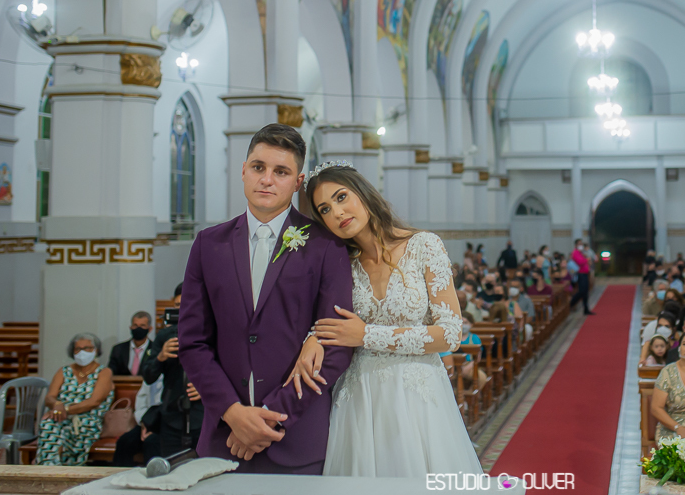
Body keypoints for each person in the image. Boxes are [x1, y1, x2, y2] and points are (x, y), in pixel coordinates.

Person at [178, 124, 355, 475]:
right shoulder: (208, 244)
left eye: (281, 172)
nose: (267, 180)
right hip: (222, 438)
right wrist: (232, 412)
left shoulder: (325, 245)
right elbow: (192, 342)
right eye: (259, 168)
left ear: (297, 182)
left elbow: (335, 346)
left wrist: (270, 419)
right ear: (243, 171)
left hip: (296, 438)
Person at [290, 161, 483, 476]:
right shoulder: (341, 264)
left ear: (364, 194)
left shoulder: (424, 246)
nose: (337, 213)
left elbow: (450, 334)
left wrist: (366, 335)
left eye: (341, 197)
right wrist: (312, 337)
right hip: (360, 396)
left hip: (417, 393)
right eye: (324, 209)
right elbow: (323, 316)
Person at [143, 284, 205, 456]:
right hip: (171, 415)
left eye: (186, 304)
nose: (182, 310)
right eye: (178, 306)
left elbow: (226, 371)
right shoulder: (164, 336)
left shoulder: (210, 333)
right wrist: (161, 356)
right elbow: (148, 376)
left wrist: (206, 388)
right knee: (171, 467)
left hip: (203, 415)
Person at [35, 333, 115, 465]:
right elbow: (50, 397)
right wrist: (57, 404)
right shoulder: (64, 371)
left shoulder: (104, 372)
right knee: (48, 424)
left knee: (72, 429)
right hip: (60, 416)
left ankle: (66, 471)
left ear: (96, 350)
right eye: (78, 349)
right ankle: (48, 471)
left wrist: (64, 409)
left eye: (87, 348)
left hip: (88, 420)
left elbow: (94, 402)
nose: (82, 352)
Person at [112, 350, 164, 467]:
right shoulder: (151, 375)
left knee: (152, 442)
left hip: (167, 424)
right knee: (125, 441)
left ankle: (152, 481)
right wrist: (145, 423)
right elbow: (141, 404)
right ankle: (120, 479)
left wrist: (155, 424)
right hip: (146, 423)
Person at [108, 311, 153, 377]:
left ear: (150, 329)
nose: (138, 328)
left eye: (142, 326)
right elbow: (111, 372)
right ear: (130, 327)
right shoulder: (118, 349)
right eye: (135, 325)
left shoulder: (156, 349)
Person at [568, 239, 594, 315]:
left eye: (582, 244)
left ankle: (586, 309)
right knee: (582, 291)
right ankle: (571, 304)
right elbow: (580, 262)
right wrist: (586, 259)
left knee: (585, 292)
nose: (581, 245)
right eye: (579, 244)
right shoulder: (575, 253)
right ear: (576, 245)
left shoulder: (581, 253)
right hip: (580, 274)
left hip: (585, 273)